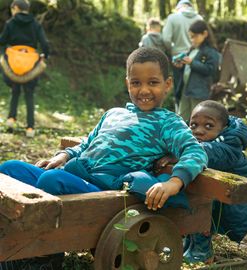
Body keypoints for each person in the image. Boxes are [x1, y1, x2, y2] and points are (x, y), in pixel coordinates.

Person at [0, 47, 208, 268]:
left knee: (51, 181)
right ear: (127, 83)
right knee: (10, 168)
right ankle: (10, 228)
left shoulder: (168, 123)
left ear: (167, 84)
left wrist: (173, 183)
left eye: (153, 83)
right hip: (77, 174)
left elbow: (196, 151)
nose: (144, 90)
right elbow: (87, 143)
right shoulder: (113, 114)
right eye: (136, 83)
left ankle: (43, 254)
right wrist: (64, 155)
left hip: (104, 188)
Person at [156, 100, 247, 264]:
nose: (199, 131)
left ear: (224, 128)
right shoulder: (198, 142)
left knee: (201, 200)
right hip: (224, 196)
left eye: (208, 126)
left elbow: (211, 153)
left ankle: (202, 251)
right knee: (193, 189)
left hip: (245, 202)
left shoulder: (229, 146)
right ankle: (191, 244)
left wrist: (182, 153)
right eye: (193, 125)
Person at [0, 0, 49, 137]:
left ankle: (10, 120)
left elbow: (2, 41)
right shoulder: (35, 24)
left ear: (15, 8)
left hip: (14, 62)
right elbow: (45, 44)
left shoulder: (11, 23)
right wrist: (44, 56)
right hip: (30, 63)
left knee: (15, 91)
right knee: (29, 95)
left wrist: (5, 52)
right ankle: (30, 129)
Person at [162, 0, 203, 111]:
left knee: (179, 88)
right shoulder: (199, 18)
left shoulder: (173, 18)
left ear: (179, 7)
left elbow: (166, 39)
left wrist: (172, 50)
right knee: (195, 89)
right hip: (196, 57)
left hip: (178, 58)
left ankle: (179, 117)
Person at [176, 20, 220, 121]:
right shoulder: (192, 49)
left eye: (194, 36)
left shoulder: (211, 52)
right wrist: (180, 65)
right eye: (190, 37)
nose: (192, 40)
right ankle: (180, 136)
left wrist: (192, 63)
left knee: (197, 118)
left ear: (205, 34)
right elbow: (188, 69)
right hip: (186, 89)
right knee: (181, 117)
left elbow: (210, 70)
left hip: (199, 91)